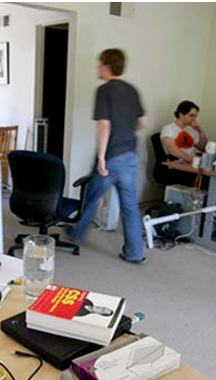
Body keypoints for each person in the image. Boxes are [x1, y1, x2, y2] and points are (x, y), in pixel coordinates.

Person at [65, 48, 148, 264]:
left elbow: (104, 125)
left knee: (92, 196)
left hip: (111, 157)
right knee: (130, 206)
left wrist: (101, 157)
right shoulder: (132, 90)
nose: (98, 67)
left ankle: (77, 232)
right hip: (130, 155)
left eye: (100, 64)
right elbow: (142, 122)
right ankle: (134, 253)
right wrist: (125, 130)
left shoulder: (104, 90)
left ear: (106, 66)